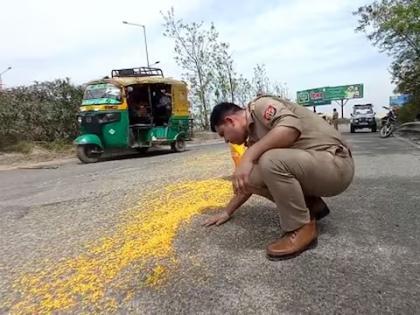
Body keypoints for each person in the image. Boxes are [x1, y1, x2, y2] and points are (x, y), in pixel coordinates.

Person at [203, 95, 354, 260]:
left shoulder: (259, 106)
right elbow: (247, 183)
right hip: (318, 167)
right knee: (251, 175)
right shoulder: (254, 137)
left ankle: (301, 227)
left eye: (223, 134)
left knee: (270, 160)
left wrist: (248, 157)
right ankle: (312, 206)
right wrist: (227, 212)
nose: (226, 140)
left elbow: (290, 129)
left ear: (230, 121)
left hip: (336, 165)